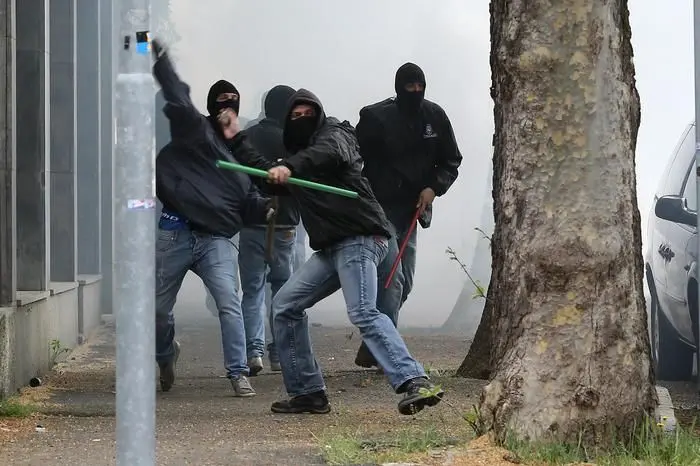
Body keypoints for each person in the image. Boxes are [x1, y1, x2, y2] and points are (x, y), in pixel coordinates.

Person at [265, 89, 444, 416]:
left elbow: (330, 151)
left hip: (362, 238)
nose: (303, 118)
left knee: (363, 310)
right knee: (284, 305)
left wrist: (291, 167)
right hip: (332, 247)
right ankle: (309, 392)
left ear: (319, 115)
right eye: (296, 115)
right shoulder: (295, 156)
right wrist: (234, 138)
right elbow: (261, 169)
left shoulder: (337, 133)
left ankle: (415, 380)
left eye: (309, 113)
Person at [151, 39, 272, 397]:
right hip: (175, 232)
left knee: (229, 303)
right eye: (221, 103)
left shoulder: (241, 152)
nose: (227, 109)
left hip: (217, 239)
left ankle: (237, 372)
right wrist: (160, 61)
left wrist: (263, 207)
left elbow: (248, 197)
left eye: (232, 104)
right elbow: (177, 95)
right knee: (158, 310)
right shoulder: (194, 130)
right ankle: (165, 353)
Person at [354, 62, 463, 369]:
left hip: (415, 209)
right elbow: (355, 158)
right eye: (409, 87)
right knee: (392, 279)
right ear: (398, 87)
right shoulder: (375, 117)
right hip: (379, 209)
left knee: (406, 282)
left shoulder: (435, 117)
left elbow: (451, 160)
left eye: (420, 86)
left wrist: (433, 188)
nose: (415, 91)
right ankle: (385, 349)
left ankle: (374, 339)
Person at [238, 84, 299, 375]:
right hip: (285, 222)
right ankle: (279, 352)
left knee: (252, 289)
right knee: (282, 289)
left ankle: (254, 351)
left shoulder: (247, 135)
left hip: (251, 222)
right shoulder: (294, 139)